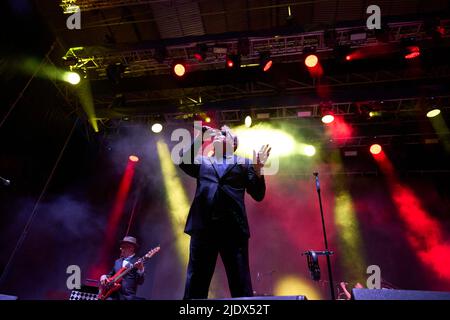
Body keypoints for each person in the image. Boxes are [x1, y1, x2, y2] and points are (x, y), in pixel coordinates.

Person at [179, 124, 271, 299]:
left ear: (233, 143)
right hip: (204, 228)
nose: (219, 135)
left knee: (240, 281)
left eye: (225, 133)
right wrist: (200, 138)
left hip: (233, 229)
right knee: (196, 281)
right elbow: (184, 162)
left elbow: (258, 194)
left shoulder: (243, 163)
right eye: (218, 134)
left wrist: (259, 169)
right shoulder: (203, 162)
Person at [99, 236, 145, 300]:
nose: (121, 249)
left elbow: (140, 281)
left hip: (127, 297)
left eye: (123, 247)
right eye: (121, 247)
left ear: (131, 248)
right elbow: (111, 275)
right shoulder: (117, 261)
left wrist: (141, 269)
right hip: (112, 295)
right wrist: (104, 276)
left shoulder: (138, 261)